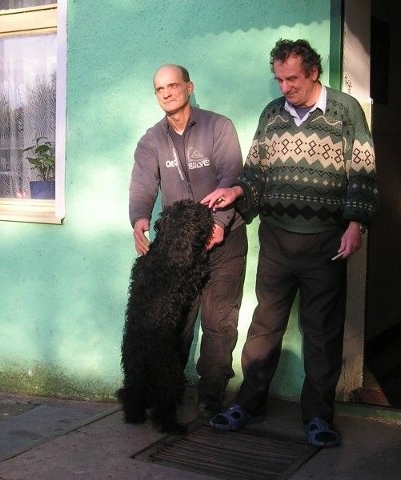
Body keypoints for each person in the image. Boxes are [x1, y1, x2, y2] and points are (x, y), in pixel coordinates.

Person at [201, 39, 379, 447]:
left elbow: (363, 175)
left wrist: (355, 224)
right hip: (278, 239)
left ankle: (318, 416)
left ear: (313, 72)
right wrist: (237, 193)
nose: (284, 87)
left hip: (325, 243)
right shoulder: (271, 115)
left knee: (321, 332)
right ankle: (248, 404)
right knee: (265, 325)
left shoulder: (345, 112)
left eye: (292, 78)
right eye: (279, 79)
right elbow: (255, 174)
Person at [129, 64, 248, 418]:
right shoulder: (151, 140)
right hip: (179, 250)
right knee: (176, 322)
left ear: (189, 87)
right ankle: (170, 390)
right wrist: (138, 221)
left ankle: (211, 396)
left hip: (225, 242)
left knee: (219, 322)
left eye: (172, 85)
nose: (166, 93)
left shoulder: (218, 127)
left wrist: (220, 223)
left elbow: (231, 176)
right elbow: (142, 185)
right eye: (159, 89)